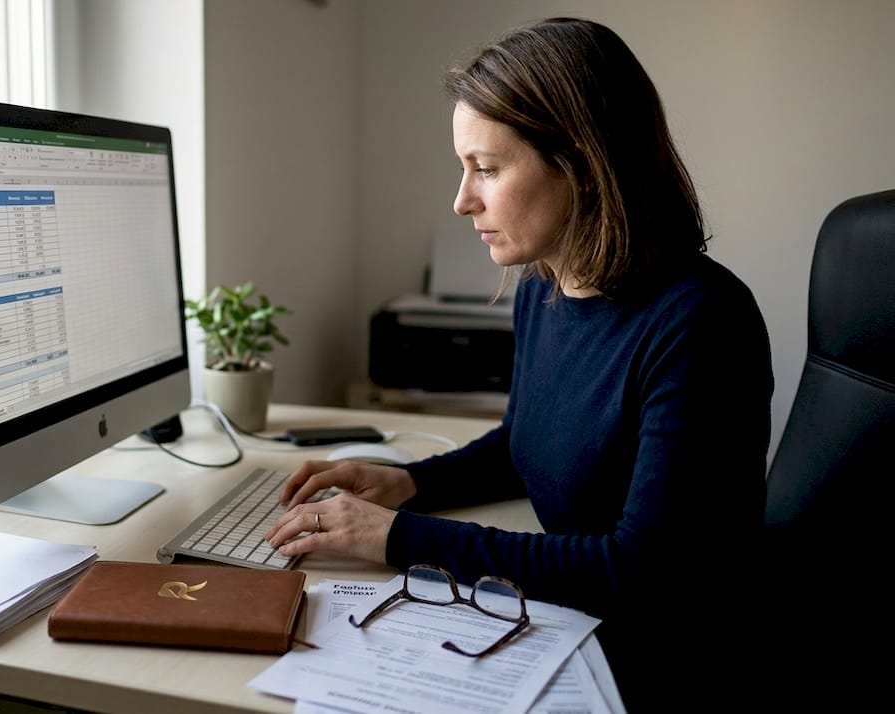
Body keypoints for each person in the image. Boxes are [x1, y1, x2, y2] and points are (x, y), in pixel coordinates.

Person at [264, 17, 772, 712]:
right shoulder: (545, 286)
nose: (462, 199)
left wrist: (401, 539)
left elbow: (639, 569)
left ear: (583, 165)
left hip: (659, 659)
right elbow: (530, 441)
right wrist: (408, 483)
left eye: (488, 168)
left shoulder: (700, 321)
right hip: (574, 623)